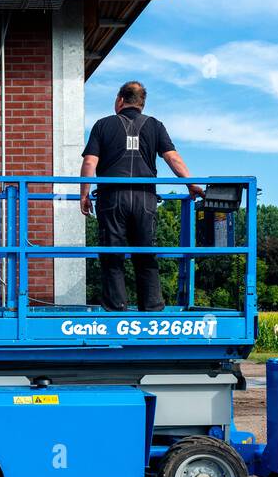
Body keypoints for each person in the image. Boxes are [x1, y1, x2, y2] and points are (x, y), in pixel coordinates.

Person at [80, 80, 204, 311]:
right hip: (145, 199)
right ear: (142, 104)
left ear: (119, 100)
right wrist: (191, 184)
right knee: (146, 252)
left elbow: (90, 161)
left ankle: (116, 307)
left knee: (112, 253)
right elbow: (172, 158)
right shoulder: (155, 126)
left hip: (112, 198)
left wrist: (84, 194)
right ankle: (153, 307)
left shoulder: (102, 125)